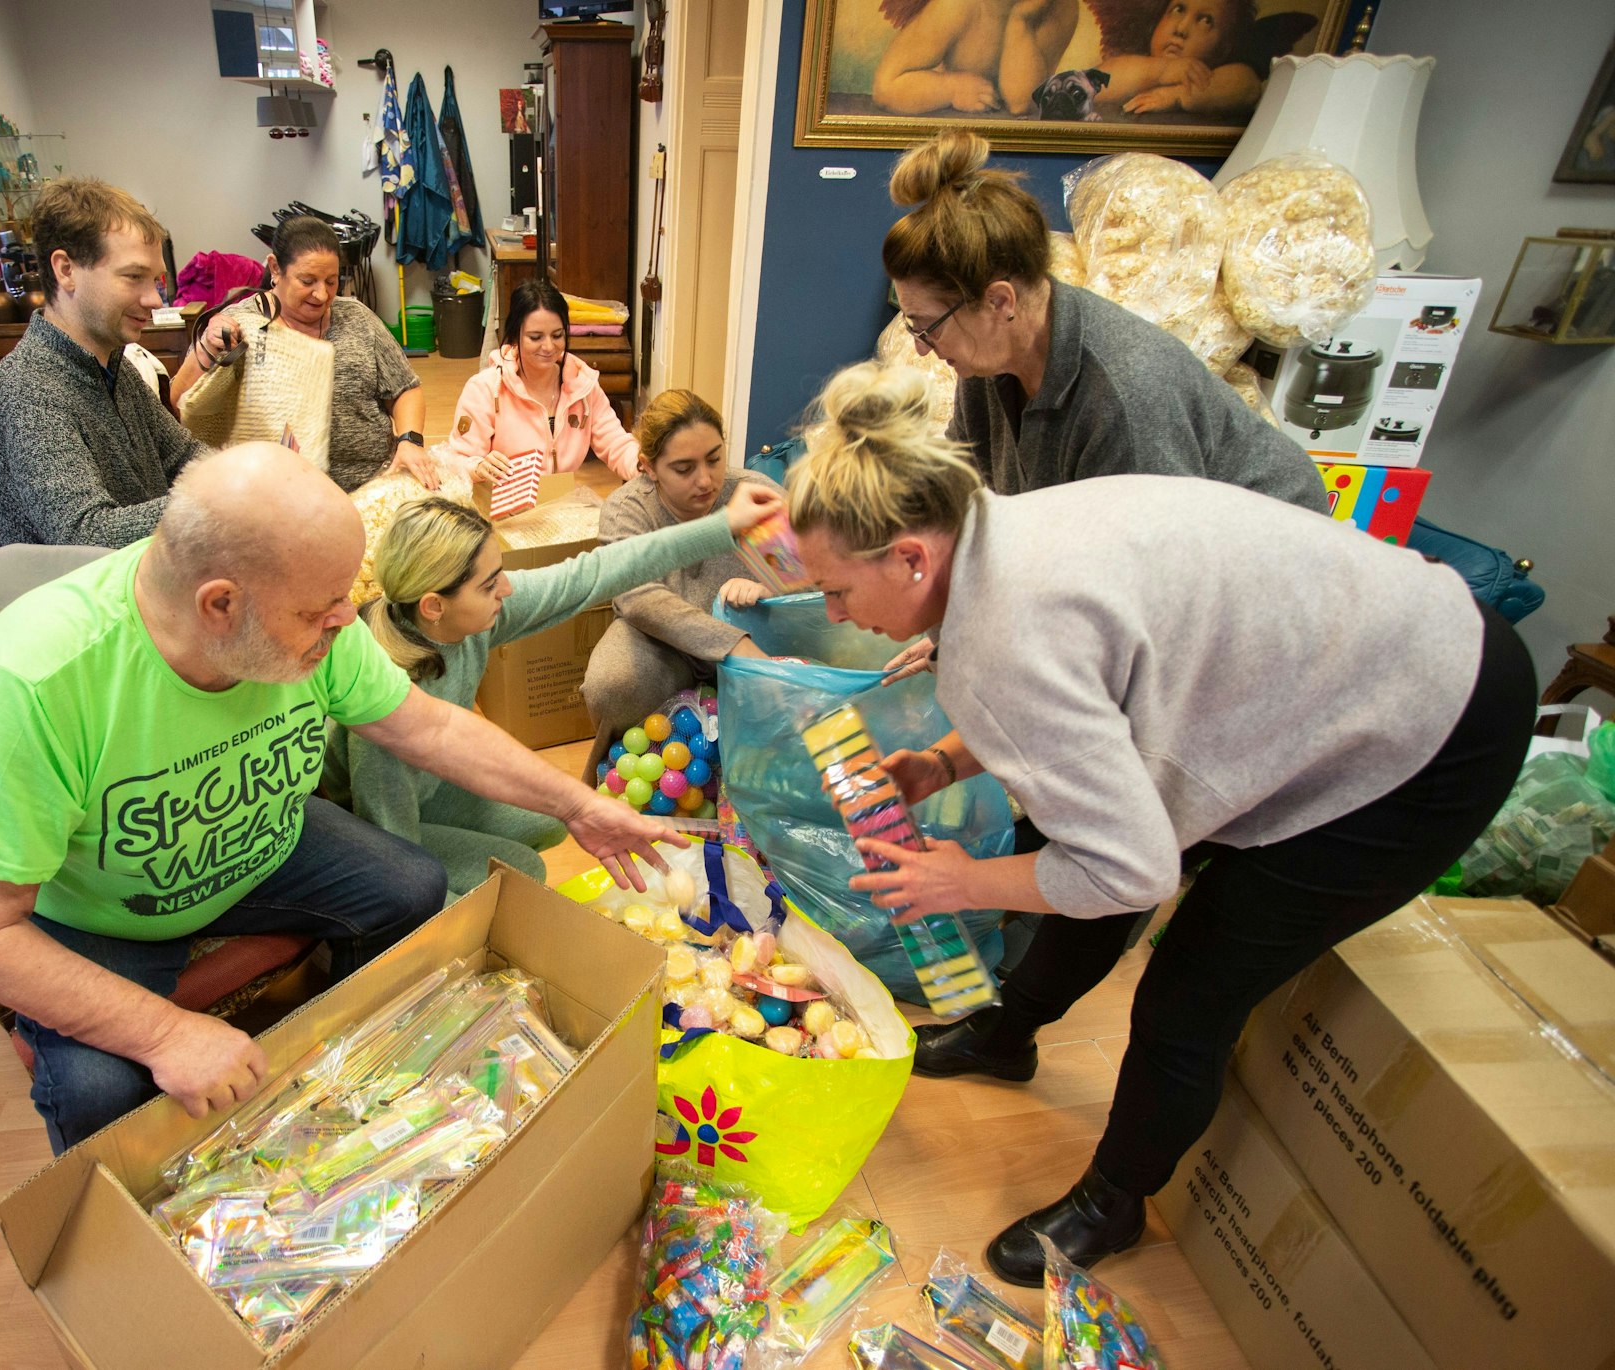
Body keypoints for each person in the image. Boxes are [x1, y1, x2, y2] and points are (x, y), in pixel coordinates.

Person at [786, 363, 1534, 1287]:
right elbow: (1091, 697)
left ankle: (1115, 1200)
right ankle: (1008, 1031)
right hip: (1336, 667)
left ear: (910, 557)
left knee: (1193, 983)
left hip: (1430, 719)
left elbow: (1131, 873)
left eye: (835, 592)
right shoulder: (991, 527)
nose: (830, 614)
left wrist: (958, 882)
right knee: (1077, 851)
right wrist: (947, 759)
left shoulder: (1003, 635)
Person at [0, 444, 677, 1153]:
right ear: (220, 605)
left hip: (260, 840)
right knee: (100, 1094)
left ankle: (353, 1069)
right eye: (320, 611)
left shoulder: (312, 617)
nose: (347, 623)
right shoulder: (32, 686)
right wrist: (163, 1035)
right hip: (107, 909)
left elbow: (428, 730)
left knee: (412, 886)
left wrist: (577, 806)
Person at [876, 128, 1324, 684]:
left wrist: (986, 650)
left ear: (999, 301)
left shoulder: (1126, 396)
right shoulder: (990, 363)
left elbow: (1137, 600)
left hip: (1255, 575)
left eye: (927, 327)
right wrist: (951, 633)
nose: (920, 346)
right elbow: (962, 507)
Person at [327, 479, 783, 898]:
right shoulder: (382, 709)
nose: (507, 589)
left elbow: (597, 572)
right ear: (433, 606)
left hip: (432, 784)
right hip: (374, 822)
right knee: (518, 869)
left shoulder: (465, 616)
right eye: (490, 585)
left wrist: (722, 526)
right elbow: (396, 859)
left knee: (547, 822)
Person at [0, 178, 207, 548]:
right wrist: (220, 501)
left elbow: (181, 456)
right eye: (134, 277)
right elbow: (85, 534)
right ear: (66, 269)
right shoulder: (26, 391)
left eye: (156, 281)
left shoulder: (113, 365)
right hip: (73, 599)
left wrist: (247, 473)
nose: (154, 299)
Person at [580, 390, 778, 768]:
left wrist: (770, 590)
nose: (705, 480)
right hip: (663, 647)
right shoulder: (627, 509)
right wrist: (730, 644)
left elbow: (818, 579)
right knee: (614, 682)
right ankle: (631, 767)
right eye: (684, 469)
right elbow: (638, 598)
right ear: (648, 467)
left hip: (755, 640)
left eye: (715, 459)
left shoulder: (755, 494)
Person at [172, 215, 436, 494]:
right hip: (274, 498)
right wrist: (207, 348)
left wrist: (409, 441)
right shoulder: (239, 326)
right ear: (275, 268)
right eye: (307, 280)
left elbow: (405, 389)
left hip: (372, 484)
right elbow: (180, 402)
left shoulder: (357, 319)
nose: (321, 295)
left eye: (331, 281)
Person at [447, 279, 640, 484]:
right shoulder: (484, 389)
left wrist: (646, 466)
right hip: (499, 506)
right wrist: (477, 467)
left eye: (557, 335)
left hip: (557, 503)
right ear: (515, 336)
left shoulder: (582, 386)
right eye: (535, 337)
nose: (549, 347)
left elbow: (617, 444)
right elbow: (456, 459)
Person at [872, 0, 1080, 117]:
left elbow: (1022, 102)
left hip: (1014, 147)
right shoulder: (956, 6)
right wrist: (951, 89)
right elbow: (886, 87)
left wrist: (1020, 21)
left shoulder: (1059, 7)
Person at [1093, 0, 1264, 118]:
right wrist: (1162, 70)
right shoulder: (1131, 66)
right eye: (1178, 9)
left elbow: (1248, 86)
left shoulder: (1223, 79)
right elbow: (1091, 83)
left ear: (1223, 47)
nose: (1181, 29)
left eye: (1205, 21)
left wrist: (1176, 96)